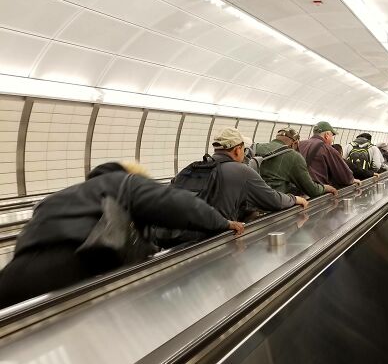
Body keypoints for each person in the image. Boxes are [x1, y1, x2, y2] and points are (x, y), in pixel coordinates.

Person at [0, 162, 242, 308]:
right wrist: (222, 222)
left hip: (13, 276)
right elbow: (177, 204)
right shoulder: (124, 182)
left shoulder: (60, 196)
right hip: (74, 267)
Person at [255, 128, 336, 198]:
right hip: (273, 206)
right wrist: (325, 188)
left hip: (250, 206)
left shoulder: (255, 147)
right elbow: (312, 190)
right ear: (295, 143)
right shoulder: (293, 156)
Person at [298, 121, 355, 188]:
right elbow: (344, 176)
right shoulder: (327, 149)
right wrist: (351, 180)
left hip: (297, 192)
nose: (332, 140)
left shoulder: (299, 144)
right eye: (332, 136)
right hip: (318, 192)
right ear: (327, 135)